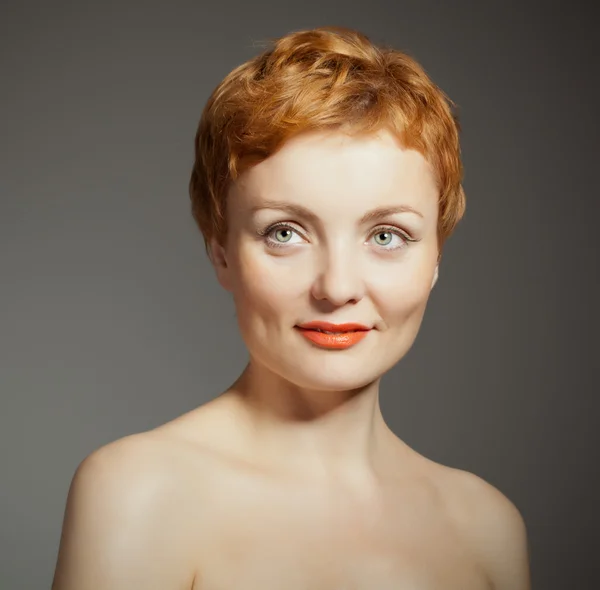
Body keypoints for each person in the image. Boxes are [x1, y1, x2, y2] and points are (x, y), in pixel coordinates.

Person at [51, 26, 531, 590]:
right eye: (285, 232)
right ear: (220, 248)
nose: (337, 287)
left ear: (435, 259)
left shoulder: (488, 528)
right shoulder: (138, 493)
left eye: (386, 235)